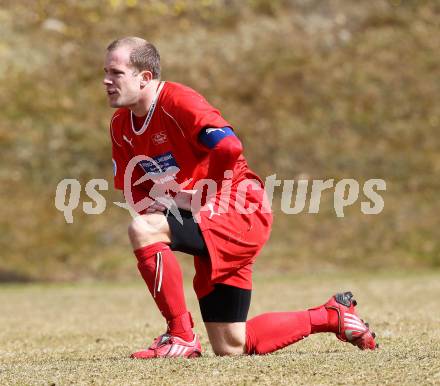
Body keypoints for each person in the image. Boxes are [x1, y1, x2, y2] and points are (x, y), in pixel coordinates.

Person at [103, 36, 378, 358]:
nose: (107, 81)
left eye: (117, 72)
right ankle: (332, 316)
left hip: (241, 210)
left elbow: (229, 146)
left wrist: (203, 194)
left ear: (145, 77)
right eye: (105, 72)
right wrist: (166, 207)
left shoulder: (178, 102)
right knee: (231, 345)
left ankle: (180, 336)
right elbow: (134, 187)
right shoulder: (121, 124)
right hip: (211, 220)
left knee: (143, 229)